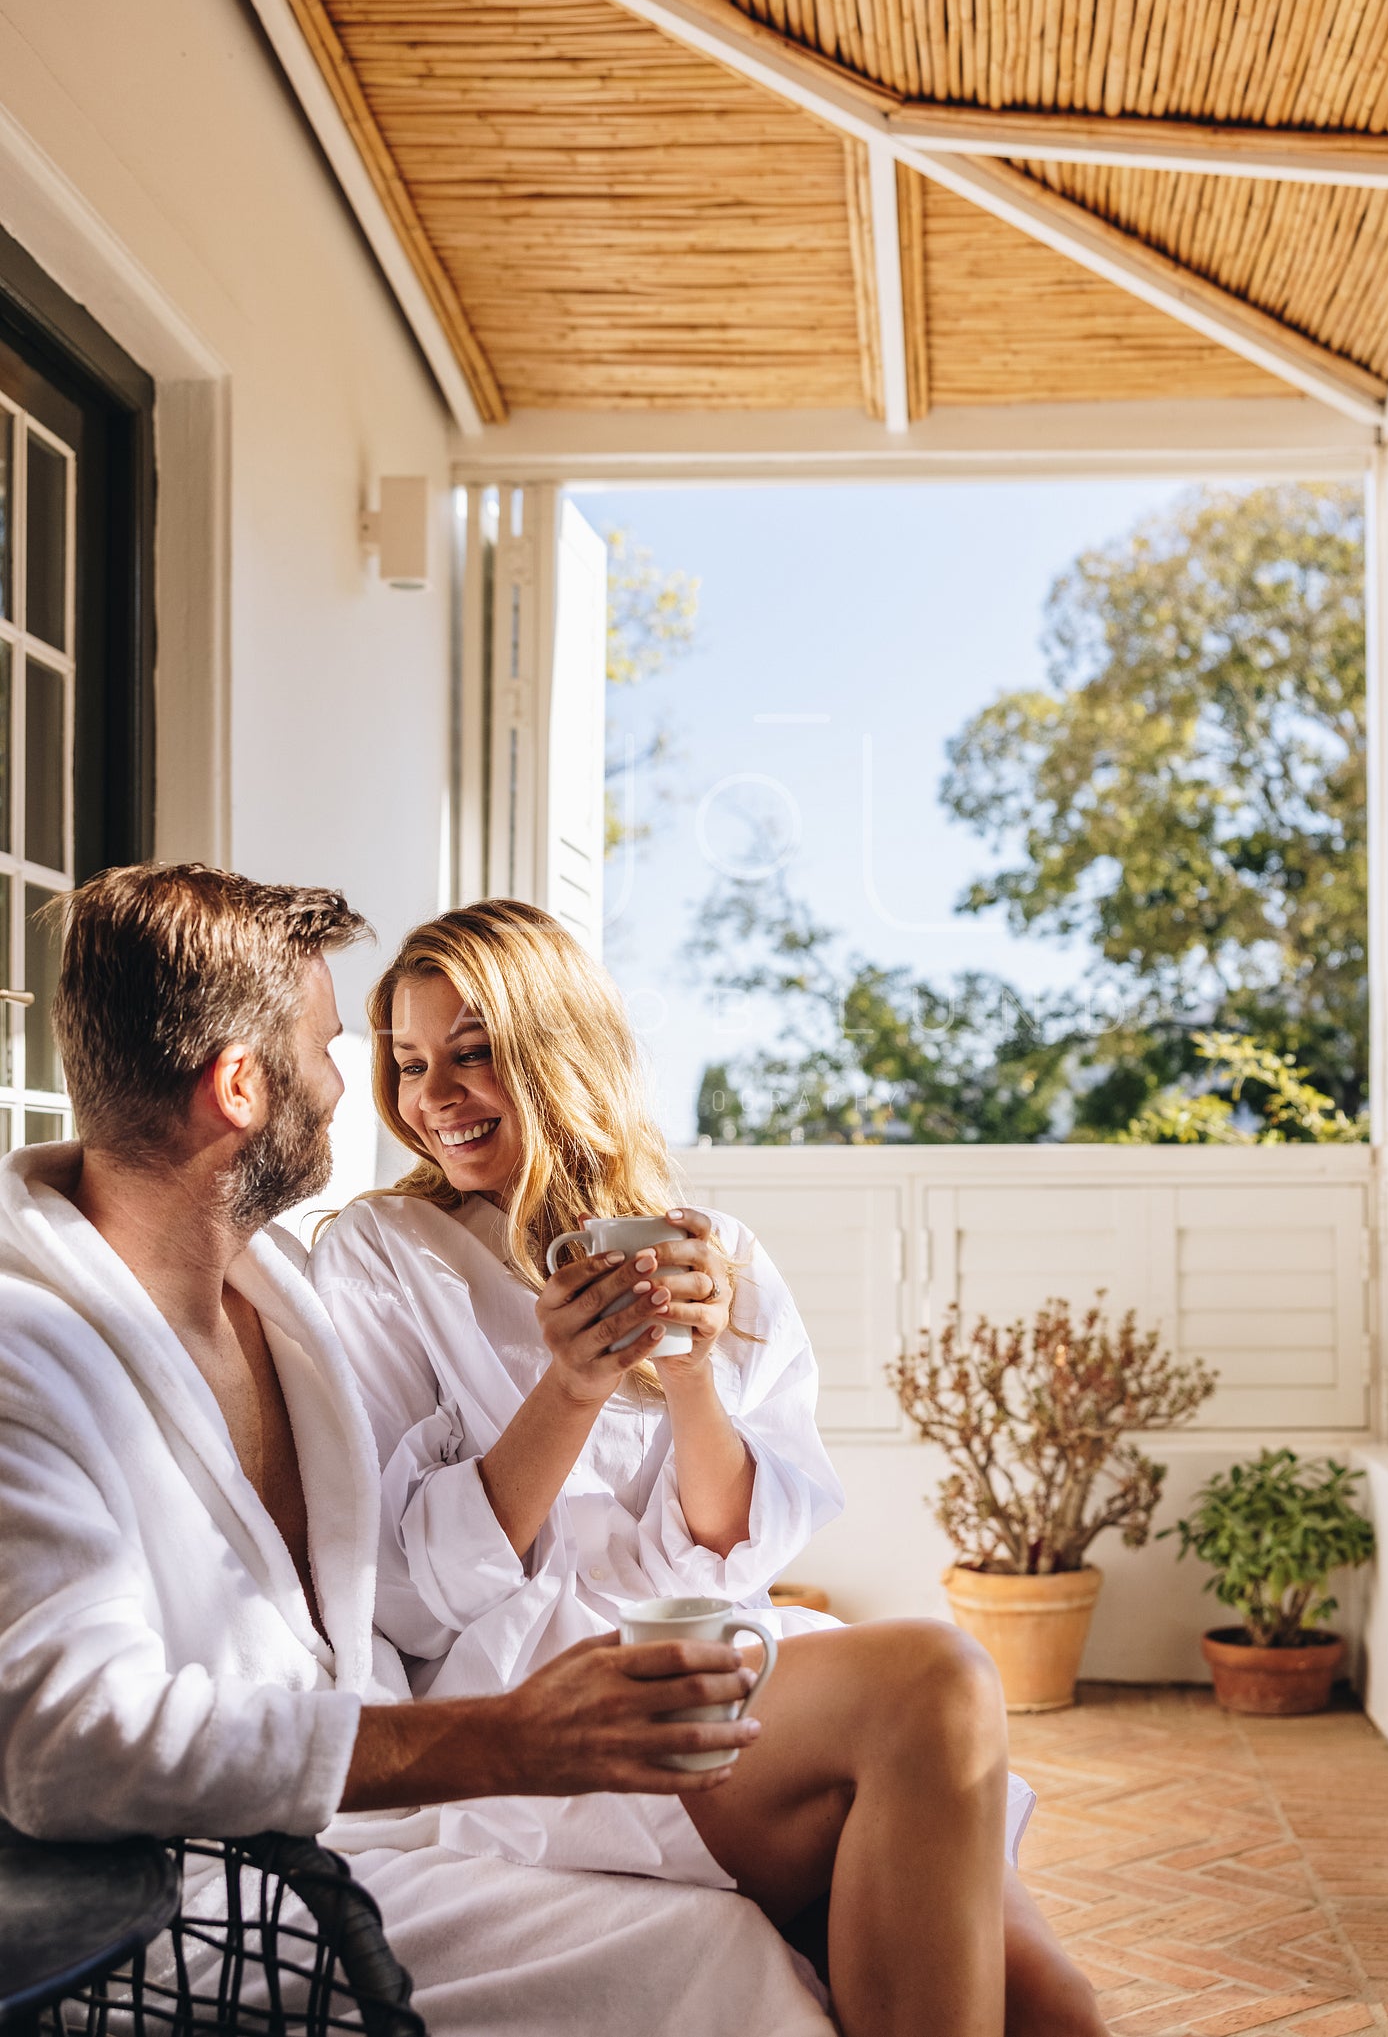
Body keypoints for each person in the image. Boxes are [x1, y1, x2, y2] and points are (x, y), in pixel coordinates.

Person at [0, 865, 833, 2037]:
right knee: (728, 1954)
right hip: (190, 1906)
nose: (356, 1091)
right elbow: (65, 1745)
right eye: (339, 1047)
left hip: (381, 1828)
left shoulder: (272, 1297)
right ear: (242, 1085)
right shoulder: (28, 1351)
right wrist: (499, 1738)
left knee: (811, 1925)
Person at [312, 899, 1107, 2037]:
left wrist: (689, 1373)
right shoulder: (381, 1255)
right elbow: (403, 1584)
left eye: (474, 1052)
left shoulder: (709, 1249)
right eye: (409, 1061)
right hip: (547, 1683)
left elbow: (742, 1540)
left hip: (721, 1642)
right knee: (935, 1677)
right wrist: (572, 1382)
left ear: (557, 1045)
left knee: (1057, 2010)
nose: (435, 1094)